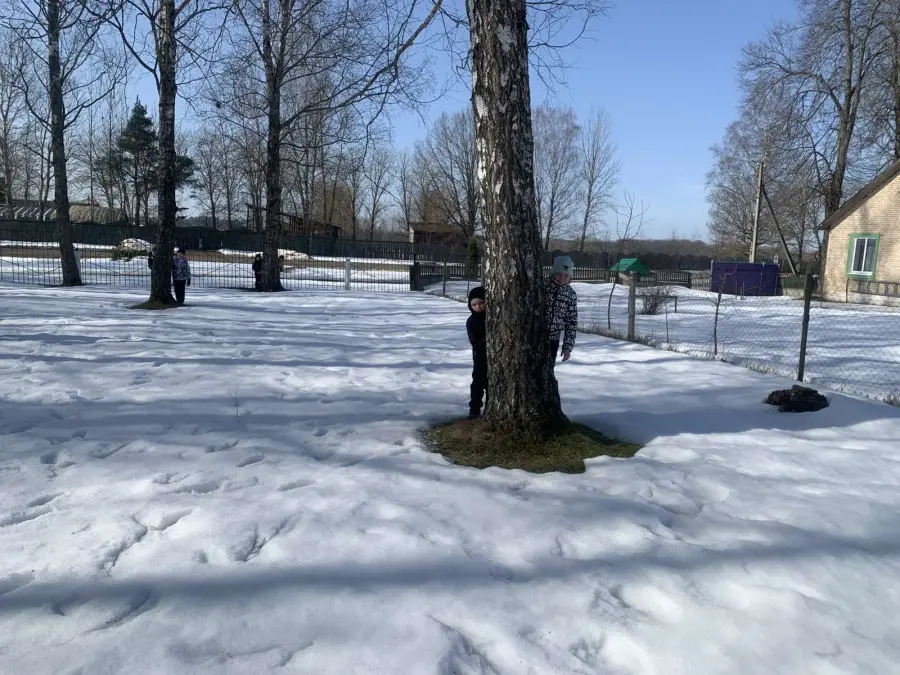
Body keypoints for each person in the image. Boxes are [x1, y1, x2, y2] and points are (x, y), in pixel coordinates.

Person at [546, 256, 578, 370]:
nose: (562, 278)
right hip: (535, 337)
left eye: (566, 275)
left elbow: (571, 322)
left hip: (553, 340)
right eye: (559, 274)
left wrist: (567, 347)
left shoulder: (570, 295)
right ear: (553, 273)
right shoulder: (543, 287)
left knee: (548, 371)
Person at [466, 286, 487, 419]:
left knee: (491, 383)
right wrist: (486, 340)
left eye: (481, 303)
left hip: (493, 357)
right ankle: (474, 409)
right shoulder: (471, 321)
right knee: (477, 383)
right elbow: (473, 340)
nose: (478, 307)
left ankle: (490, 407)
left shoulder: (492, 317)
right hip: (479, 355)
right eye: (474, 305)